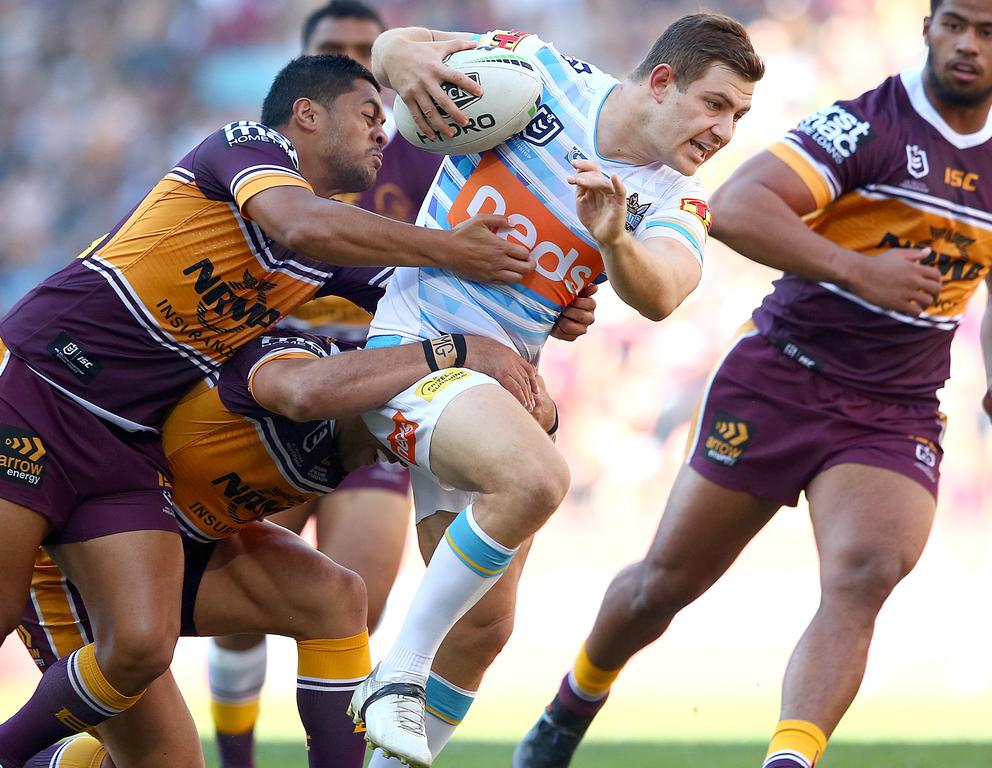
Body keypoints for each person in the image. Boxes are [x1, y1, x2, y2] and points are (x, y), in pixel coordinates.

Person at [0, 52, 536, 768]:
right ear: (306, 114)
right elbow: (300, 225)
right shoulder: (243, 147)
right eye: (368, 115)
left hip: (127, 443)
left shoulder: (338, 252)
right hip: (41, 381)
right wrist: (450, 249)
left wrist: (543, 303)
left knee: (145, 652)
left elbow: (430, 302)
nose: (382, 135)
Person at [513, 1, 992, 766]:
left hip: (896, 407)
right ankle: (571, 706)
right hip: (783, 376)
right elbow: (736, 207)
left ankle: (789, 760)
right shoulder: (868, 124)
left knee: (866, 572)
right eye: (955, 24)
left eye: (988, 31)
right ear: (927, 26)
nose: (968, 44)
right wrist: (861, 271)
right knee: (663, 586)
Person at [348, 15, 764, 767]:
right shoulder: (538, 75)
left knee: (480, 632)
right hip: (411, 356)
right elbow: (399, 46)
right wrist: (396, 56)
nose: (724, 130)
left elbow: (665, 289)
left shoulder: (680, 199)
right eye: (715, 104)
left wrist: (613, 241)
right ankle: (396, 677)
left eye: (738, 116)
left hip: (500, 394)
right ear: (663, 81)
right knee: (537, 479)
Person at [16, 325, 543, 768]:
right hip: (78, 556)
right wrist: (449, 350)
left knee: (336, 596)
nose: (410, 450)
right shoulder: (297, 364)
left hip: (173, 550)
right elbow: (299, 389)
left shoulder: (355, 449)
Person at [206, 5, 442, 763]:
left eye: (361, 54)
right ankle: (237, 757)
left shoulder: (426, 161)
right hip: (269, 388)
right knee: (240, 607)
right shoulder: (255, 159)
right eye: (331, 53)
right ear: (304, 83)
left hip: (368, 396)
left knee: (352, 604)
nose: (349, 62)